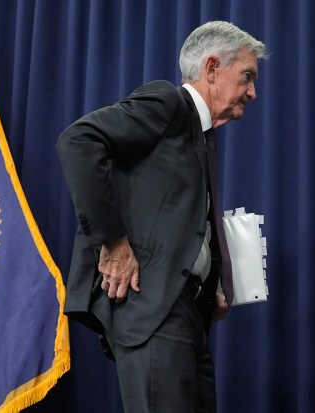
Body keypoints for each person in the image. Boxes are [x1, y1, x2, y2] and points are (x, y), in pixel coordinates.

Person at [56, 21, 267, 412]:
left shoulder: (200, 135)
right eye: (247, 76)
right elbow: (78, 140)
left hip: (188, 316)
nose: (253, 92)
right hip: (154, 310)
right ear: (211, 69)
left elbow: (173, 224)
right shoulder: (168, 103)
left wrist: (209, 289)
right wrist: (113, 241)